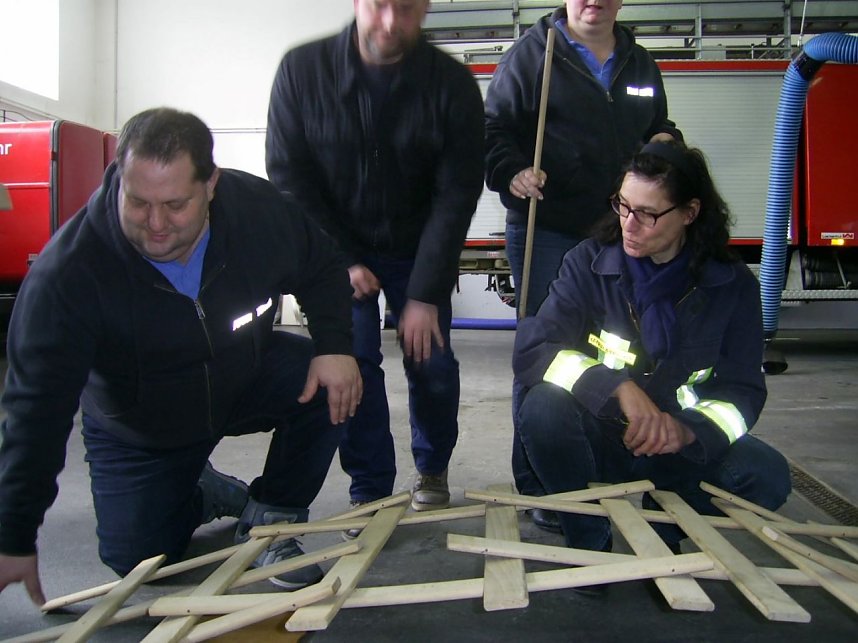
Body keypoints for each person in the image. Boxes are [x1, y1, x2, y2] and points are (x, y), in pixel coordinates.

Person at [0, 107, 362, 605]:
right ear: (118, 178)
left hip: (242, 376)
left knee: (333, 379)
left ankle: (273, 514)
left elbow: (321, 266)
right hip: (142, 425)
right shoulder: (70, 276)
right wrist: (13, 534)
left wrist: (335, 347)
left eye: (174, 204)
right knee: (139, 560)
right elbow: (34, 412)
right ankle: (203, 493)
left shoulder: (256, 212)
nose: (155, 225)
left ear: (210, 184)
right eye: (138, 202)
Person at [513, 140, 791, 556]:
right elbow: (534, 349)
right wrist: (617, 389)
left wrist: (687, 430)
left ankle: (669, 527)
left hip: (677, 448)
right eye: (623, 205)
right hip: (601, 437)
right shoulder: (587, 264)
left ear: (689, 214)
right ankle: (589, 538)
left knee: (767, 476)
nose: (628, 223)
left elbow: (742, 393)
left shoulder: (731, 287)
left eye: (647, 213)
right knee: (541, 408)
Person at [265, 0, 484, 521]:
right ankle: (371, 484)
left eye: (406, 9)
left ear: (426, 8)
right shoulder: (302, 71)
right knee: (353, 362)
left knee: (430, 362)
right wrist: (340, 259)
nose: (390, 22)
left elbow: (456, 192)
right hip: (337, 248)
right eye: (380, 5)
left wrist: (426, 292)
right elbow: (288, 175)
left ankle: (432, 467)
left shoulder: (451, 84)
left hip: (419, 250)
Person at [484, 0, 682, 531]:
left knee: (625, 345)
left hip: (622, 228)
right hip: (550, 224)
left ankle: (604, 463)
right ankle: (539, 487)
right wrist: (513, 171)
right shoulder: (533, 55)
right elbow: (493, 130)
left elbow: (657, 124)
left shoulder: (638, 61)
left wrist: (667, 140)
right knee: (542, 347)